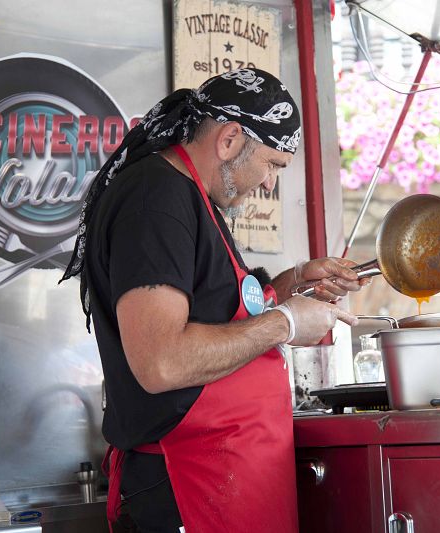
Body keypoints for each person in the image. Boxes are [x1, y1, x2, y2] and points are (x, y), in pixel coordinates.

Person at [61, 68, 366, 533]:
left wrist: (293, 284)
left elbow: (219, 315)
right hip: (184, 487)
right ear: (229, 140)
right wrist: (285, 322)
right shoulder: (155, 201)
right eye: (272, 164)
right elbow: (161, 361)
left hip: (225, 480)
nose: (269, 184)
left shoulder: (189, 197)